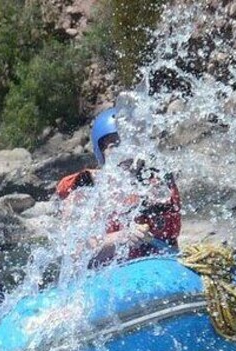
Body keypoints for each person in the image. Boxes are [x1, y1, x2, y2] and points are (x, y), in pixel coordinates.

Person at [56, 107, 181, 266]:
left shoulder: (158, 185)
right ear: (101, 153)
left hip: (159, 267)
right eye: (114, 145)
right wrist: (122, 237)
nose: (124, 152)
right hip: (106, 275)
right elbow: (74, 251)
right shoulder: (85, 190)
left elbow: (171, 237)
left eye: (129, 142)